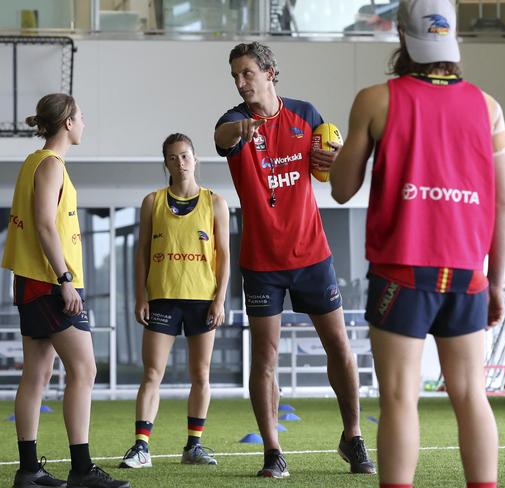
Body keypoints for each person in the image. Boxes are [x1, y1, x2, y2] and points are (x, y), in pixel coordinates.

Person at [330, 1, 505, 486]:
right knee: (472, 393)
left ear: (403, 41)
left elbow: (342, 188)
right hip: (468, 271)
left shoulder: (375, 99)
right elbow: (503, 206)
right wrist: (496, 281)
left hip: (401, 270)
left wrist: (339, 153)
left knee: (398, 396)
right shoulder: (488, 106)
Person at [213, 41, 375, 479]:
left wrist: (334, 160)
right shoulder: (234, 122)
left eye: (246, 73)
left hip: (312, 256)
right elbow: (221, 138)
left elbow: (332, 165)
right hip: (262, 264)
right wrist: (242, 132)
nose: (240, 82)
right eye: (234, 76)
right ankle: (272, 451)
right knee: (264, 358)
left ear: (269, 72)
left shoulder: (306, 114)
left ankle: (353, 436)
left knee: (339, 346)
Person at [2, 93, 130, 488]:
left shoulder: (34, 163)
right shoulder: (51, 164)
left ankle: (28, 470)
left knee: (38, 375)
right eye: (81, 117)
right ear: (68, 122)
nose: (85, 123)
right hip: (48, 283)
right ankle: (81, 469)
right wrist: (65, 278)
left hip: (31, 281)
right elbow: (44, 224)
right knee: (85, 369)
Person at [119, 133, 230, 469]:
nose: (179, 163)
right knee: (153, 373)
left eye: (184, 156)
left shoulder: (216, 203)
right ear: (165, 163)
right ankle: (141, 447)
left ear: (195, 159)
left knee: (201, 374)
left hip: (202, 299)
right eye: (172, 157)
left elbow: (224, 255)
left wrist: (220, 300)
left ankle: (193, 447)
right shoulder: (152, 201)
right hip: (163, 298)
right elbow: (142, 252)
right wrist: (141, 295)